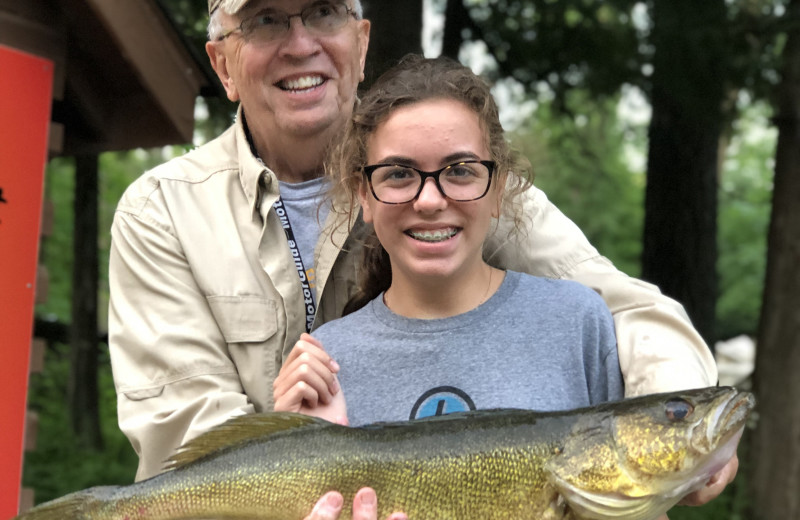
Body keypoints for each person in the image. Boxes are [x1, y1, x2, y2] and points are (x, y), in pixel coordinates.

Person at [107, 0, 726, 516]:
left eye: (323, 12)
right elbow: (187, 444)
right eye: (267, 19)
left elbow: (625, 309)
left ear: (360, 37)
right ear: (222, 65)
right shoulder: (160, 213)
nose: (301, 45)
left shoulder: (465, 171)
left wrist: (675, 440)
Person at [280, 55, 625, 431]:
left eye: (460, 170)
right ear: (364, 195)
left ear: (497, 188)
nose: (429, 201)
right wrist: (296, 442)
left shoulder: (576, 325)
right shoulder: (324, 362)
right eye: (399, 173)